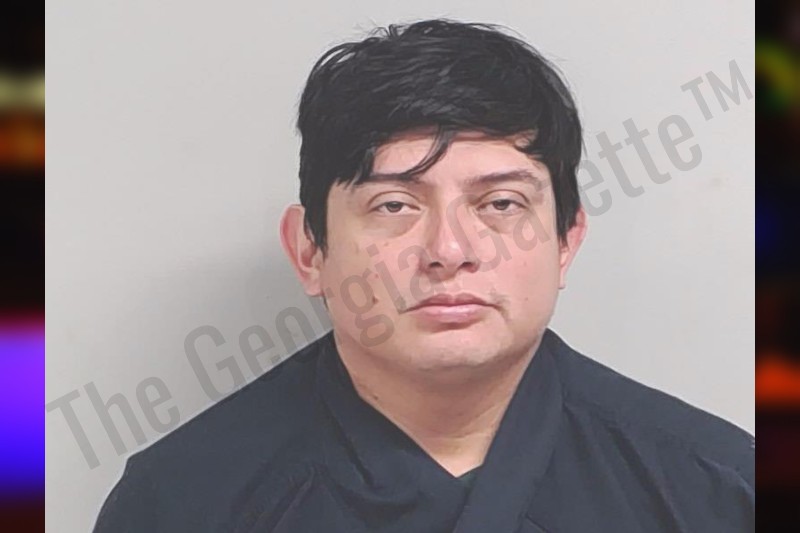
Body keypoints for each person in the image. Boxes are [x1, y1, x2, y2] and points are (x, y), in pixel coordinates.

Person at [93, 19, 754, 532]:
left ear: (566, 241)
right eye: (394, 205)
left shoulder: (716, 491)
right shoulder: (182, 500)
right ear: (309, 250)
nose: (449, 249)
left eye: (501, 204)